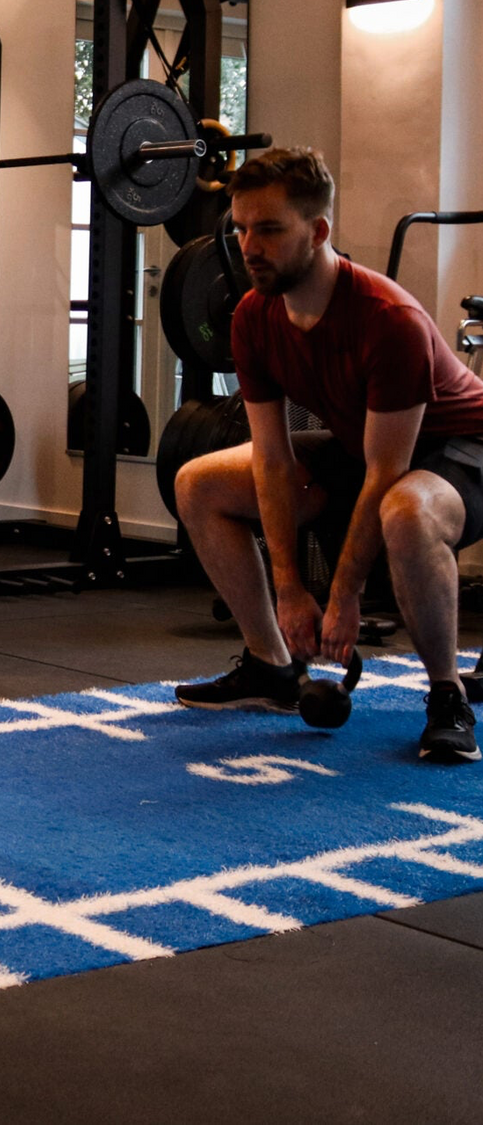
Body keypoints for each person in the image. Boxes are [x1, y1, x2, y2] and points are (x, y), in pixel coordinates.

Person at [173, 148, 482, 764]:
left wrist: (343, 598)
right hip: (363, 445)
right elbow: (272, 459)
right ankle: (272, 667)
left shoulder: (388, 320)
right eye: (240, 228)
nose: (248, 245)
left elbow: (386, 473)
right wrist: (290, 589)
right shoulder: (255, 318)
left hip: (460, 451)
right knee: (198, 482)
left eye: (268, 229)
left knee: (405, 512)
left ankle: (447, 696)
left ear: (318, 232)